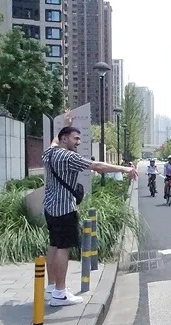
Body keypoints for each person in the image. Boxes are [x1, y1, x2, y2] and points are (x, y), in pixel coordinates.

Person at [43, 115, 138, 307]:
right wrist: (125, 169)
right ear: (65, 140)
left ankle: (51, 287)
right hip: (64, 209)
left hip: (50, 207)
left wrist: (65, 126)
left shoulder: (49, 153)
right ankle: (60, 294)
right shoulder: (69, 157)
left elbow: (53, 141)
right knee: (63, 248)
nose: (78, 142)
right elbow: (97, 166)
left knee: (53, 245)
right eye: (75, 139)